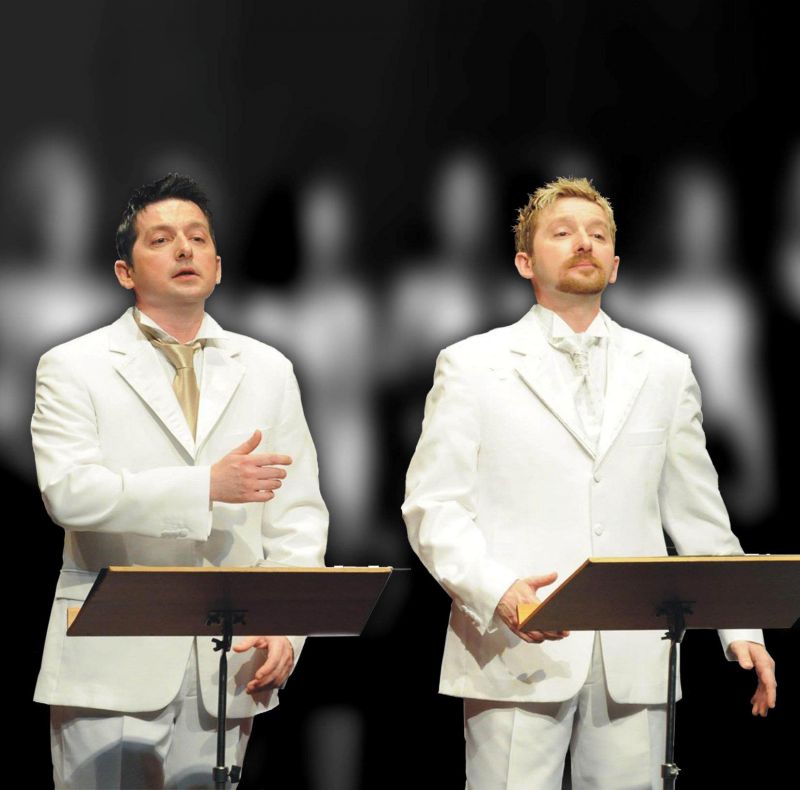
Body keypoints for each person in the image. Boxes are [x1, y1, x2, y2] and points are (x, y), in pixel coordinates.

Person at [402, 177, 776, 790]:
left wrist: (741, 627)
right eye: (563, 232)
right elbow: (433, 507)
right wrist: (498, 592)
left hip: (634, 650)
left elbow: (699, 514)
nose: (584, 243)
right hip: (516, 643)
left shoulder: (665, 369)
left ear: (616, 264)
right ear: (524, 262)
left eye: (598, 234)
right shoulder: (472, 365)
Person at [31, 173, 328, 789]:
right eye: (162, 239)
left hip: (228, 659)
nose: (185, 249)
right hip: (113, 654)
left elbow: (298, 517)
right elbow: (70, 492)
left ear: (218, 266)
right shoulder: (73, 365)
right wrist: (204, 487)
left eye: (198, 238)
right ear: (125, 271)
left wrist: (286, 626)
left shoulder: (268, 369)